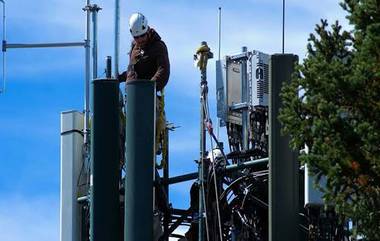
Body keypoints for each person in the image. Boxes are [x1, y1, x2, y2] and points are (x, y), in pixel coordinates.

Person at [118, 12, 170, 153]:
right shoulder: (134, 48)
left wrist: (147, 89)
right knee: (125, 133)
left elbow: (163, 71)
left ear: (147, 31)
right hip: (133, 100)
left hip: (148, 100)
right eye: (136, 37)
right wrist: (119, 78)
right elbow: (132, 71)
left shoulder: (158, 46)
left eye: (142, 36)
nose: (139, 39)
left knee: (145, 138)